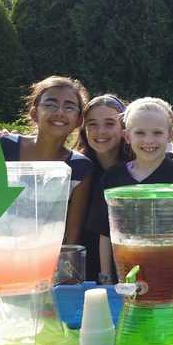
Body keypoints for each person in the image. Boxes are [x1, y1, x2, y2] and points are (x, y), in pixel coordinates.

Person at [86, 97, 173, 283]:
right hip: (124, 275)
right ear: (127, 136)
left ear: (170, 135)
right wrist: (106, 276)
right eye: (140, 133)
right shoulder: (113, 177)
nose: (149, 140)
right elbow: (105, 232)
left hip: (168, 273)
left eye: (157, 133)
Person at [0, 75, 94, 246]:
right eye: (50, 104)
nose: (59, 112)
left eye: (69, 107)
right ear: (34, 113)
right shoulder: (5, 147)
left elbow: (73, 232)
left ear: (79, 120)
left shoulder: (80, 167)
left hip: (45, 259)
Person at [74, 94, 128, 282]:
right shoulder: (78, 168)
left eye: (109, 124)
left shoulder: (137, 169)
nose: (100, 132)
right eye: (92, 124)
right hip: (84, 271)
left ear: (124, 128)